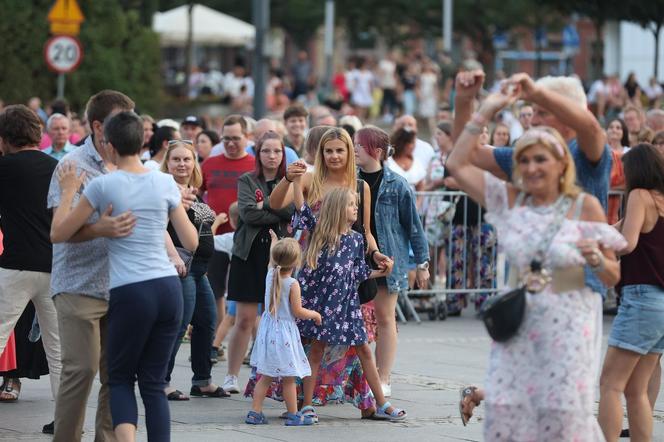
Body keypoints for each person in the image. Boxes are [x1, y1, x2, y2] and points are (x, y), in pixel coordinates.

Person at [448, 88, 625, 440]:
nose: (531, 168)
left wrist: (595, 260)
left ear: (562, 164)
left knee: (561, 419)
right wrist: (483, 109)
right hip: (519, 326)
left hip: (570, 327)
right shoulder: (510, 200)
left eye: (540, 160)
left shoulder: (583, 206)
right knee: (507, 413)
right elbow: (456, 163)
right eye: (524, 161)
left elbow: (611, 275)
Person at [50, 111, 199, 442]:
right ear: (143, 141)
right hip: (168, 288)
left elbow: (59, 232)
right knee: (154, 384)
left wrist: (68, 191)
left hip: (132, 291)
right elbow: (190, 241)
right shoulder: (164, 182)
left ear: (109, 144)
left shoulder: (104, 185)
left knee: (119, 379)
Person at [454, 70, 612, 299]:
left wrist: (536, 92)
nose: (533, 120)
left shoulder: (586, 153)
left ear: (569, 116)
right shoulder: (526, 156)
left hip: (574, 290)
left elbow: (592, 129)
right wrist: (464, 100)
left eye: (542, 112)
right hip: (528, 285)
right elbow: (467, 154)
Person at [47, 90, 137, 441]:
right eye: (120, 121)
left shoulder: (130, 162)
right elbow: (61, 230)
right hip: (79, 282)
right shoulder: (72, 166)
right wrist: (100, 228)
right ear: (98, 126)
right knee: (80, 370)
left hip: (123, 284)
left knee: (117, 374)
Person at [290, 185, 405, 422]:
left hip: (347, 305)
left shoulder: (356, 239)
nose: (356, 209)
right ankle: (308, 405)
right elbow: (301, 208)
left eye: (356, 204)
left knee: (364, 349)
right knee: (317, 349)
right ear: (336, 208)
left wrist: (381, 272)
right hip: (321, 305)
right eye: (351, 204)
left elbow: (357, 272)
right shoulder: (320, 232)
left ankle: (382, 403)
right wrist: (296, 179)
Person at [354, 125, 429, 397]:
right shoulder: (350, 181)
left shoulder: (398, 184)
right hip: (354, 257)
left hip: (388, 259)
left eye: (358, 146)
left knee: (385, 318)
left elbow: (414, 226)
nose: (354, 151)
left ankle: (383, 378)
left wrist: (422, 264)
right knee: (351, 320)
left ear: (374, 149)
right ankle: (350, 380)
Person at [0, 104, 62, 432]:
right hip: (54, 265)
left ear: (5, 138)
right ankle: (68, 420)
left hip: (14, 265)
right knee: (58, 348)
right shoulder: (57, 167)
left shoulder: (4, 168)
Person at [598, 144, 664, 442]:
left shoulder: (639, 196)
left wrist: (600, 258)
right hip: (660, 301)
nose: (622, 174)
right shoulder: (660, 201)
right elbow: (616, 229)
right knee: (636, 391)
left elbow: (628, 242)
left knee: (610, 384)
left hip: (641, 298)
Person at [222, 131, 295, 394]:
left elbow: (292, 213)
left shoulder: (290, 180)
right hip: (248, 253)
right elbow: (248, 214)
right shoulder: (247, 179)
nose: (272, 156)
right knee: (244, 318)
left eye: (277, 151)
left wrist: (266, 206)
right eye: (266, 151)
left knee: (277, 317)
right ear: (258, 153)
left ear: (283, 153)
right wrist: (272, 211)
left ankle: (272, 375)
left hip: (280, 256)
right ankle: (231, 375)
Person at [161, 140, 227, 400]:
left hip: (200, 270)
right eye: (176, 159)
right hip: (180, 267)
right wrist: (174, 256)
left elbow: (203, 230)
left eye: (187, 159)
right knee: (178, 324)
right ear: (167, 163)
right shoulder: (165, 191)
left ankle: (202, 380)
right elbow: (159, 226)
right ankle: (160, 381)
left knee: (207, 322)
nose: (182, 164)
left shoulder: (195, 193)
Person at [245, 235, 321, 426]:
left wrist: (274, 242)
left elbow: (272, 259)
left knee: (266, 375)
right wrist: (314, 314)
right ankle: (294, 414)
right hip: (285, 335)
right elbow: (298, 311)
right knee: (289, 377)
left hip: (268, 332)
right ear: (296, 261)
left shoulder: (271, 274)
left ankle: (255, 412)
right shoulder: (292, 284)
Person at [387, 127, 426, 193]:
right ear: (403, 144)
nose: (414, 146)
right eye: (412, 143)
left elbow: (421, 187)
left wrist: (417, 203)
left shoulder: (417, 162)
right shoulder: (388, 162)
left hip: (413, 202)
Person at [606, 118, 630, 225]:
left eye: (618, 127)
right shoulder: (601, 150)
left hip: (623, 201)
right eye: (611, 127)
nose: (614, 130)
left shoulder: (630, 151)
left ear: (623, 132)